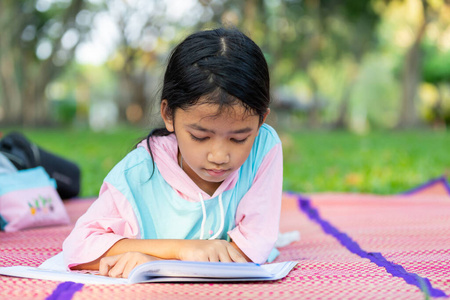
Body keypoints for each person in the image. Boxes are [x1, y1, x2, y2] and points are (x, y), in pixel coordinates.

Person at [62, 27, 283, 278]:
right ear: (168, 115)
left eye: (239, 138)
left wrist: (154, 259)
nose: (219, 156)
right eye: (200, 137)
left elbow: (253, 247)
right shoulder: (139, 174)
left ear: (261, 121)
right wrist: (180, 250)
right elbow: (79, 248)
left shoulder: (263, 147)